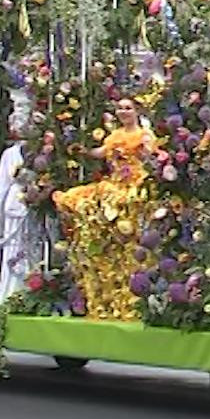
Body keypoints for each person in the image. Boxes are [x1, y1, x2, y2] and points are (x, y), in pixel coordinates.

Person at [53, 97, 155, 322]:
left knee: (125, 214)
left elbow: (150, 156)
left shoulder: (144, 134)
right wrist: (84, 151)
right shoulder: (115, 135)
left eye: (128, 108)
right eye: (120, 107)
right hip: (114, 184)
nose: (123, 111)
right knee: (81, 201)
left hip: (135, 185)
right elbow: (101, 152)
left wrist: (139, 152)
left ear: (137, 111)